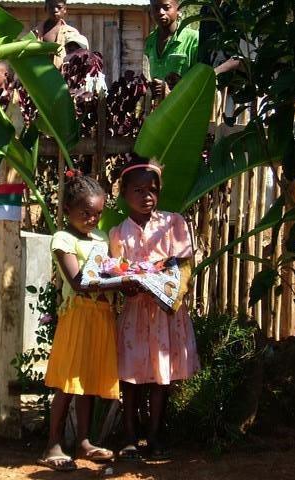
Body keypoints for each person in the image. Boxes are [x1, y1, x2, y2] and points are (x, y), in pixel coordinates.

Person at [37, 172, 140, 472]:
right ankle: (52, 444)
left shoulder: (102, 238)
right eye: (85, 213)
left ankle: (84, 441)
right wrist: (122, 282)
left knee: (90, 382)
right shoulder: (63, 239)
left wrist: (126, 276)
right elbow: (80, 281)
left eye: (97, 214)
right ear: (67, 209)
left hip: (101, 316)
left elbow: (109, 269)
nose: (93, 219)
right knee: (69, 383)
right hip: (78, 315)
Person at [109, 157, 200, 462]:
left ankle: (156, 435)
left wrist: (172, 290)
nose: (146, 196)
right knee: (132, 377)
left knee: (162, 376)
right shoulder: (118, 233)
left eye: (152, 189)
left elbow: (183, 264)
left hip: (165, 314)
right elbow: (117, 271)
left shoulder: (173, 224)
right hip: (136, 314)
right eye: (138, 190)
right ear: (124, 193)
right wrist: (126, 284)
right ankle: (130, 436)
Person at [144, 0, 199, 98]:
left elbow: (200, 80)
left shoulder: (193, 39)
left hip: (184, 107)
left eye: (166, 7)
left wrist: (169, 93)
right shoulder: (150, 41)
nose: (160, 12)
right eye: (156, 8)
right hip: (159, 108)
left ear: (178, 9)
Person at [32, 0, 83, 69]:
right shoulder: (35, 33)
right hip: (39, 77)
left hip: (62, 77)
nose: (55, 10)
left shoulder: (72, 33)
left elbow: (79, 58)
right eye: (51, 7)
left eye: (59, 7)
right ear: (45, 9)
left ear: (65, 9)